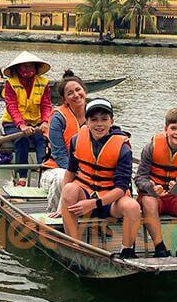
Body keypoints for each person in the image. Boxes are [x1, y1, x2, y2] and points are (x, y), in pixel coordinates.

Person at [60, 98, 141, 259]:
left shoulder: (123, 149)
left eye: (104, 119)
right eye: (94, 119)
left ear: (111, 121)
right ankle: (75, 246)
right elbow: (70, 172)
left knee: (132, 206)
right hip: (85, 193)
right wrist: (60, 204)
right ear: (87, 122)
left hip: (111, 200)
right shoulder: (76, 140)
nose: (99, 124)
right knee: (69, 189)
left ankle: (127, 251)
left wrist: (94, 203)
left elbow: (121, 188)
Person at [134, 107, 177, 258]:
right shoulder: (151, 147)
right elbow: (139, 178)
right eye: (174, 128)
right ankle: (160, 248)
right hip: (155, 198)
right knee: (148, 200)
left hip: (176, 199)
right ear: (166, 129)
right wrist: (150, 187)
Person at [1, 51, 52, 186]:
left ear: (35, 68)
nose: (28, 70)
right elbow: (11, 106)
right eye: (24, 67)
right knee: (22, 139)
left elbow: (46, 105)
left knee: (41, 139)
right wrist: (22, 125)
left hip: (36, 122)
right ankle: (22, 176)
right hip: (12, 123)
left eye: (31, 66)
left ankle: (44, 172)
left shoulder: (43, 83)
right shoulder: (10, 83)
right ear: (18, 68)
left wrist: (45, 121)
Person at [41, 70, 87, 212]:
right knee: (63, 179)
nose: (76, 95)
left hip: (86, 170)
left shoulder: (95, 114)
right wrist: (77, 173)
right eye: (70, 93)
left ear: (84, 90)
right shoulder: (58, 118)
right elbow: (59, 154)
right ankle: (54, 216)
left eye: (78, 90)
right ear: (64, 99)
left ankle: (97, 221)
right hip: (55, 170)